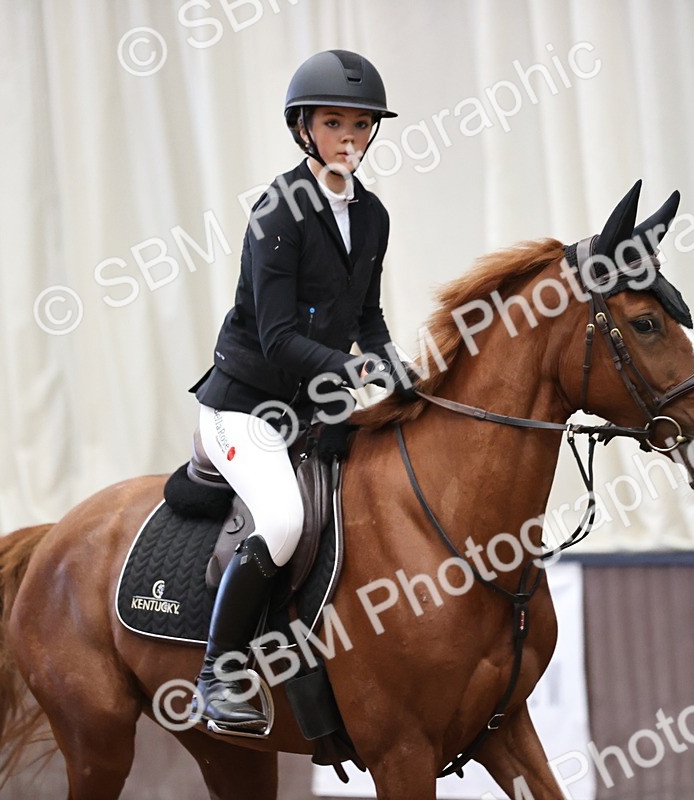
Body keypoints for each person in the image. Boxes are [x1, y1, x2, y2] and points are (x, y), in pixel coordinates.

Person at [186, 50, 403, 732]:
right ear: (303, 128)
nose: (349, 137)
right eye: (334, 123)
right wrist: (351, 370)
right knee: (283, 521)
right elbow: (277, 337)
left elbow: (366, 317)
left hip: (312, 404)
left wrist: (395, 366)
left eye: (361, 125)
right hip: (243, 405)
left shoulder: (372, 215)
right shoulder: (278, 211)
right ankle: (217, 674)